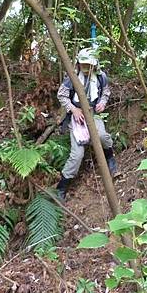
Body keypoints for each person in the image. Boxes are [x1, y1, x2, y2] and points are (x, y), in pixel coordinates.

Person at [56, 48, 118, 201]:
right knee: (77, 155)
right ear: (78, 64)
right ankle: (62, 187)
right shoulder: (72, 77)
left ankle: (110, 158)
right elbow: (61, 95)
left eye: (88, 65)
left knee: (102, 136)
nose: (85, 69)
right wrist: (73, 109)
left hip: (93, 113)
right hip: (76, 115)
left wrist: (102, 103)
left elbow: (105, 92)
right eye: (83, 65)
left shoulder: (101, 76)